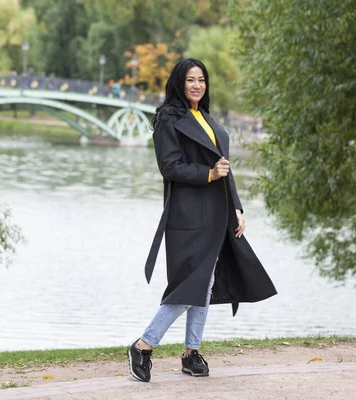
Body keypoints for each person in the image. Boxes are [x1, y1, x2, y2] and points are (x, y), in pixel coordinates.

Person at [127, 58, 277, 383]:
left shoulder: (206, 119)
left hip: (216, 214)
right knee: (191, 286)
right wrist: (207, 174)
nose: (197, 85)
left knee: (204, 284)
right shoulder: (168, 121)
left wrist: (237, 206)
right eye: (191, 80)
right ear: (180, 83)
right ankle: (143, 345)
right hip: (187, 216)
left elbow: (225, 168)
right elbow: (170, 167)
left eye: (202, 80)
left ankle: (191, 352)